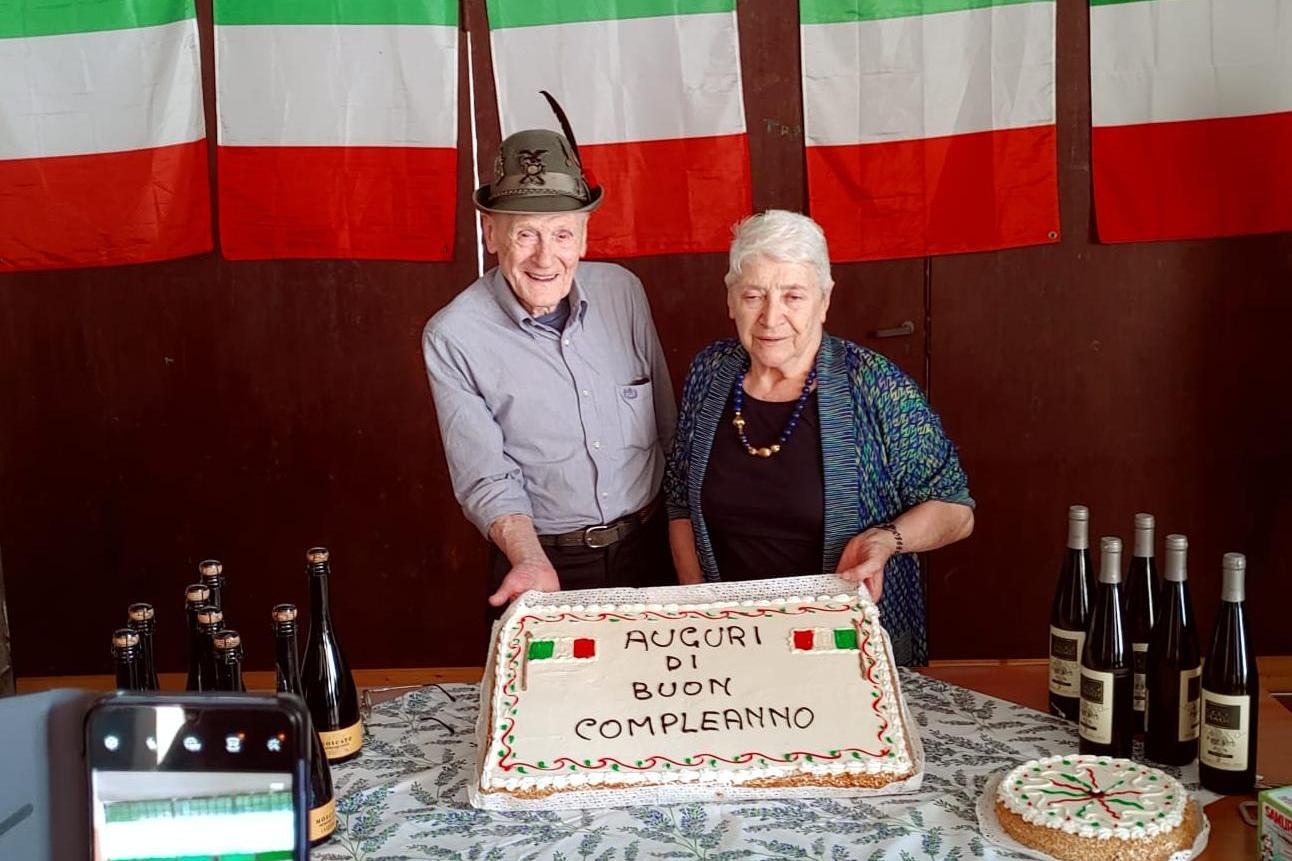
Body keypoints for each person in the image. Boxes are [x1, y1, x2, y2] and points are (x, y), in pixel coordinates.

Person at [664, 210, 974, 665]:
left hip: (845, 647)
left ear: (824, 301)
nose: (771, 317)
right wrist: (699, 607)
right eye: (753, 295)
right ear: (730, 300)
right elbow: (679, 501)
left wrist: (886, 539)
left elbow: (956, 510)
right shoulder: (712, 372)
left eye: (793, 296)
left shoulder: (875, 385)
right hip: (729, 644)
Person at [422, 116, 676, 609]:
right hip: (544, 563)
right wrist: (529, 559)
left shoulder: (623, 292)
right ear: (491, 234)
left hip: (652, 550)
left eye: (562, 234)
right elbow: (486, 477)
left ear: (583, 238)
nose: (545, 258)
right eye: (525, 235)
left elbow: (668, 429)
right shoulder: (453, 335)